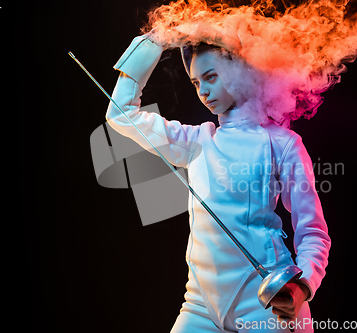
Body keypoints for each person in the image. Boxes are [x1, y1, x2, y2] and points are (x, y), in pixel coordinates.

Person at [105, 28, 331, 332]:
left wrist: (302, 286)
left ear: (241, 72)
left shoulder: (283, 143)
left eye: (211, 77)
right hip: (200, 303)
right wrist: (153, 42)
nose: (203, 91)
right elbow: (120, 114)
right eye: (196, 82)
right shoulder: (197, 141)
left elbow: (313, 230)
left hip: (266, 303)